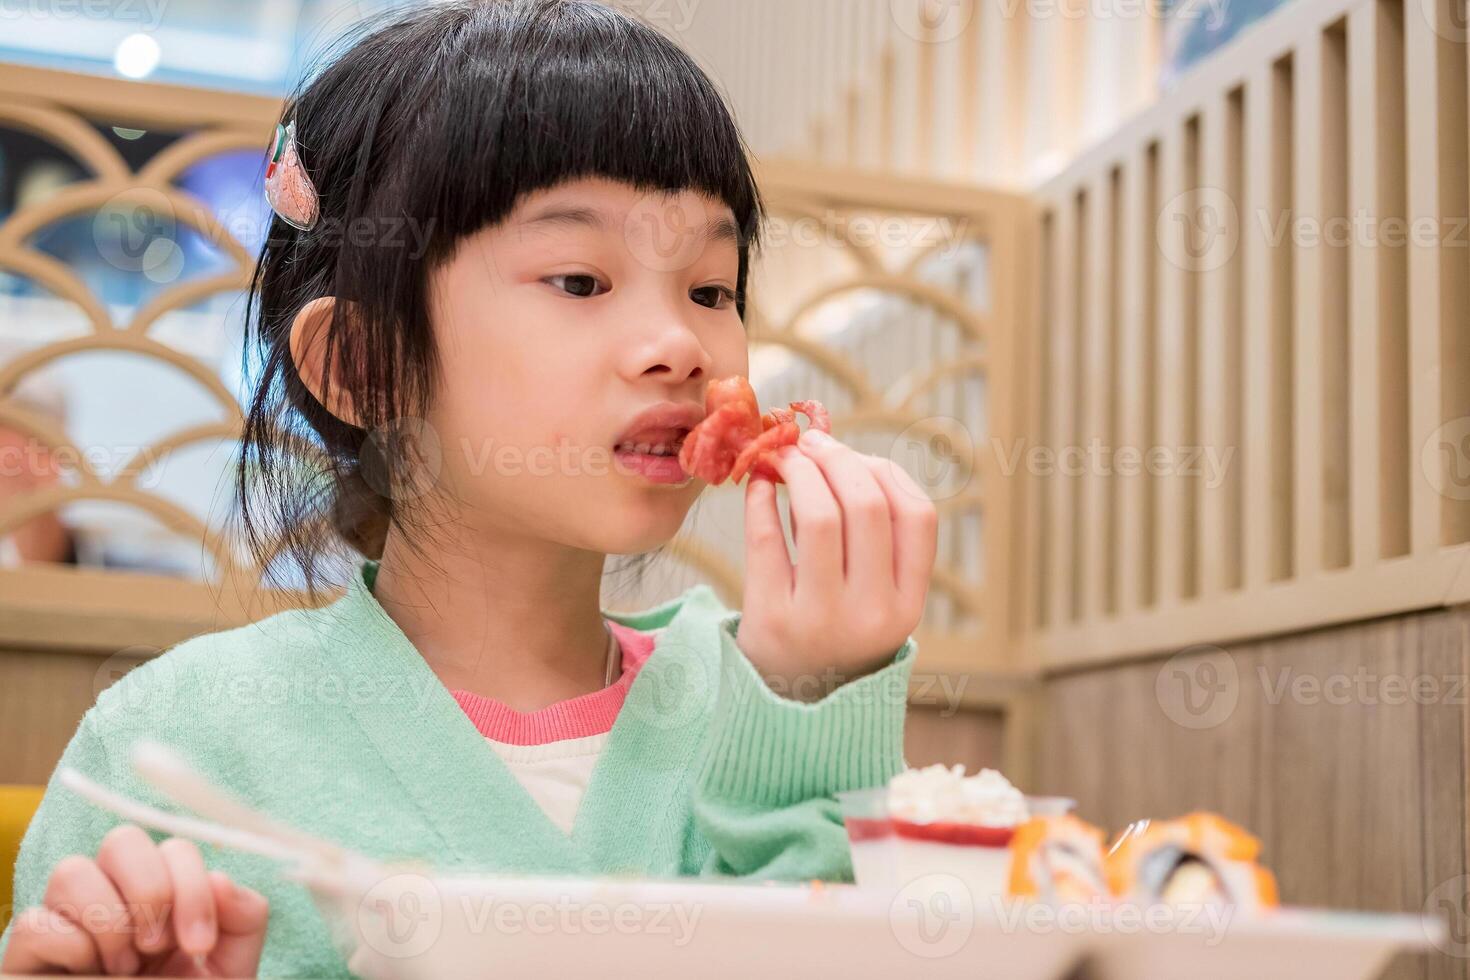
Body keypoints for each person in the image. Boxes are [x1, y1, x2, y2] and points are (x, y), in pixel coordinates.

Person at [0, 1, 937, 975]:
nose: (681, 346)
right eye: (579, 279)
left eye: (711, 288)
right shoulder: (178, 740)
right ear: (364, 363)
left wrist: (809, 697)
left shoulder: (770, 691)